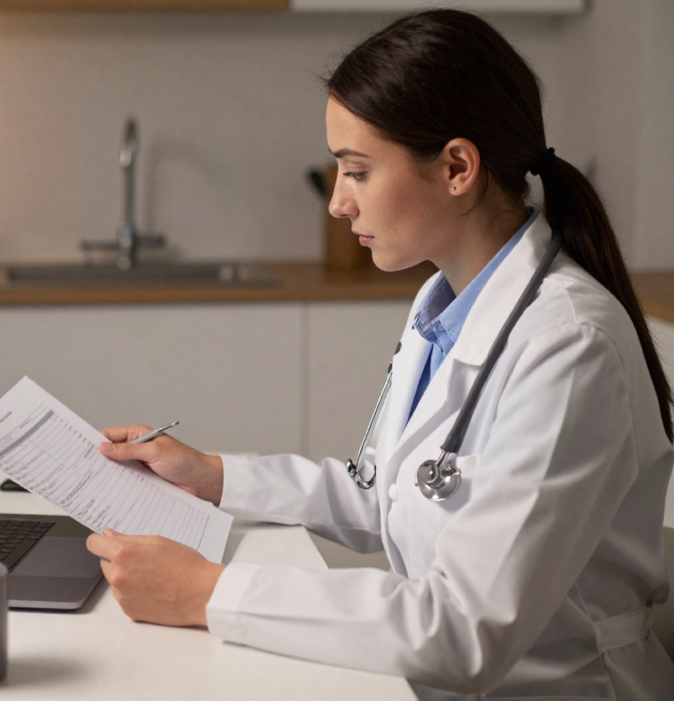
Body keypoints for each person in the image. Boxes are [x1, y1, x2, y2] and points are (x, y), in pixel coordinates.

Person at [84, 9, 674, 701]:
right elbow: (392, 493)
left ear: (456, 167)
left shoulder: (571, 347)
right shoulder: (445, 303)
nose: (338, 202)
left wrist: (208, 591)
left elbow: (465, 629)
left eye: (357, 171)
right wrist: (213, 476)